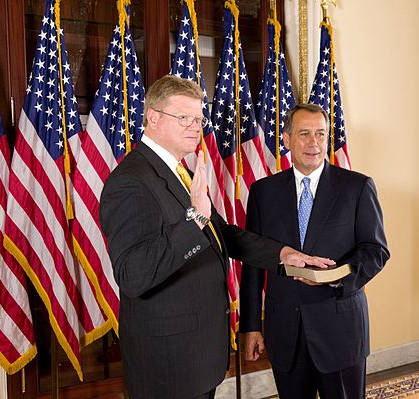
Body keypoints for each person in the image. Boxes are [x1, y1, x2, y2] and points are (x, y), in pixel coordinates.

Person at [99, 76, 332, 399]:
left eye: (198, 119)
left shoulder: (180, 171)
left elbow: (223, 235)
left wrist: (283, 255)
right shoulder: (130, 181)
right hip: (169, 361)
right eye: (184, 118)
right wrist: (194, 217)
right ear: (153, 117)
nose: (195, 127)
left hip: (196, 352)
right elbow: (134, 274)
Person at [240, 103, 390, 399]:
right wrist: (251, 326)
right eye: (304, 134)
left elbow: (375, 250)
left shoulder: (357, 187)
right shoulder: (263, 192)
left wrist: (336, 277)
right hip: (285, 332)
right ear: (286, 139)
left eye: (321, 134)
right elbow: (253, 263)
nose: (314, 143)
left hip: (341, 329)